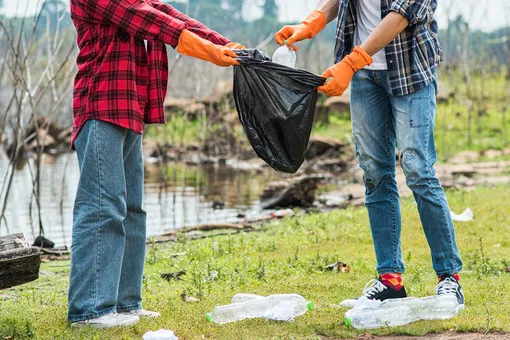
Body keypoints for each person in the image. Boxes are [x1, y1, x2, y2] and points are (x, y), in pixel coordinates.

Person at [275, 0, 464, 309]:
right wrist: (311, 23)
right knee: (375, 173)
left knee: (418, 170)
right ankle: (390, 281)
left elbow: (402, 14)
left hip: (410, 72)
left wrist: (351, 62)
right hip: (365, 77)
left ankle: (448, 278)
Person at [68, 0, 244, 328]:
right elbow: (144, 18)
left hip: (130, 106)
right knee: (101, 208)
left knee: (132, 210)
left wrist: (222, 43)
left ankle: (125, 304)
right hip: (100, 106)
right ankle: (90, 309)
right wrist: (202, 49)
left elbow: (165, 12)